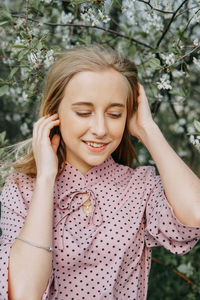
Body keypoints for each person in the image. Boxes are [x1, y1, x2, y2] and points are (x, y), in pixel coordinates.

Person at [0, 44, 200, 300]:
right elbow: (24, 294)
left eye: (115, 114)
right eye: (83, 112)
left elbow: (195, 214)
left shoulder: (140, 187)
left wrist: (148, 129)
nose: (100, 128)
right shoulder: (22, 190)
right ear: (54, 113)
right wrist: (46, 179)